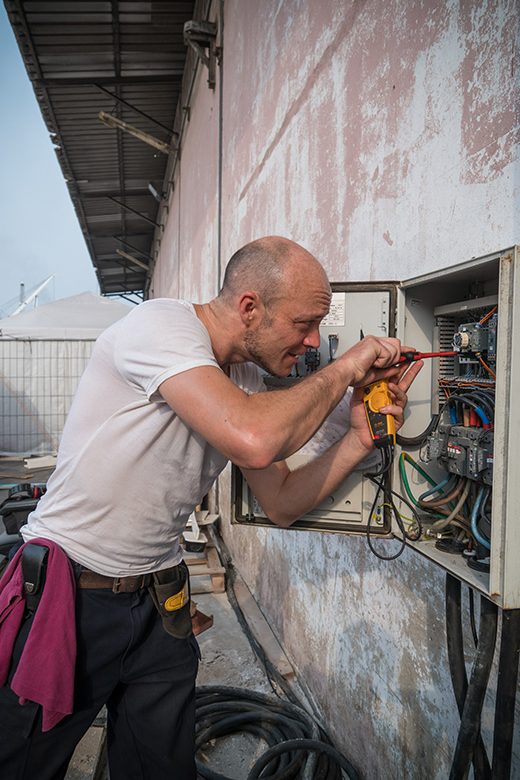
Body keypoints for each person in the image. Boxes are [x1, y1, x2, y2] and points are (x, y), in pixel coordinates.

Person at [0, 236, 421, 779]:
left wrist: (358, 439)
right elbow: (254, 437)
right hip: (71, 594)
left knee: (161, 767)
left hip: (159, 601)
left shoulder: (241, 381)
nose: (315, 341)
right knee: (24, 764)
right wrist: (346, 370)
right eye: (304, 323)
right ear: (250, 307)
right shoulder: (161, 328)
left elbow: (284, 501)